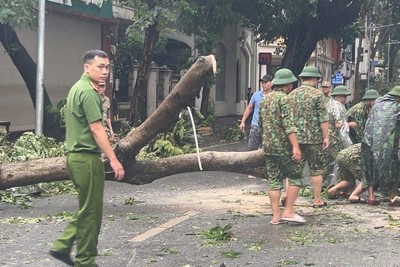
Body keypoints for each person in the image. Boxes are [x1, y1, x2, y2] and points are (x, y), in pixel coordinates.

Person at [49, 49, 125, 267]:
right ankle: (86, 261)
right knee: (91, 213)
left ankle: (63, 246)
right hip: (86, 157)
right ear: (87, 67)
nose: (105, 72)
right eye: (100, 67)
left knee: (87, 208)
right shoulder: (89, 92)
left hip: (76, 157)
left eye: (107, 67)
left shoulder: (77, 88)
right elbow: (96, 129)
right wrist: (113, 158)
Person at [259, 68, 305, 224]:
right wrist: (296, 147)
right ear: (289, 85)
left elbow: (260, 124)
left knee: (274, 180)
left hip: (268, 145)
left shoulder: (265, 99)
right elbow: (289, 125)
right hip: (283, 146)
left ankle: (275, 216)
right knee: (296, 176)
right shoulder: (285, 99)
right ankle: (289, 211)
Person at [349, 86, 400, 206]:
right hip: (385, 144)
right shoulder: (397, 107)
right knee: (391, 169)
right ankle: (391, 196)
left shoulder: (377, 104)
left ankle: (372, 197)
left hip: (367, 141)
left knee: (369, 169)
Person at [288, 66, 329, 208]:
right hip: (314, 139)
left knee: (294, 170)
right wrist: (326, 137)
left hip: (295, 140)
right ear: (315, 79)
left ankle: (288, 197)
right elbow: (323, 118)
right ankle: (317, 200)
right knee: (316, 169)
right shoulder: (318, 95)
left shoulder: (292, 94)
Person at [323, 85, 352, 188]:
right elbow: (338, 124)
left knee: (328, 162)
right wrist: (348, 125)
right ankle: (341, 186)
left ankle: (323, 185)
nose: (345, 99)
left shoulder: (329, 104)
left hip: (327, 137)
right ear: (338, 96)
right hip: (335, 138)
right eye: (344, 97)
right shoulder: (337, 106)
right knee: (340, 162)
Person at [240, 74, 273, 150]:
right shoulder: (256, 95)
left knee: (267, 150)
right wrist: (243, 121)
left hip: (268, 127)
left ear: (271, 83)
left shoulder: (274, 96)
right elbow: (249, 108)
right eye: (262, 83)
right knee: (252, 149)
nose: (264, 84)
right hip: (255, 126)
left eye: (266, 82)